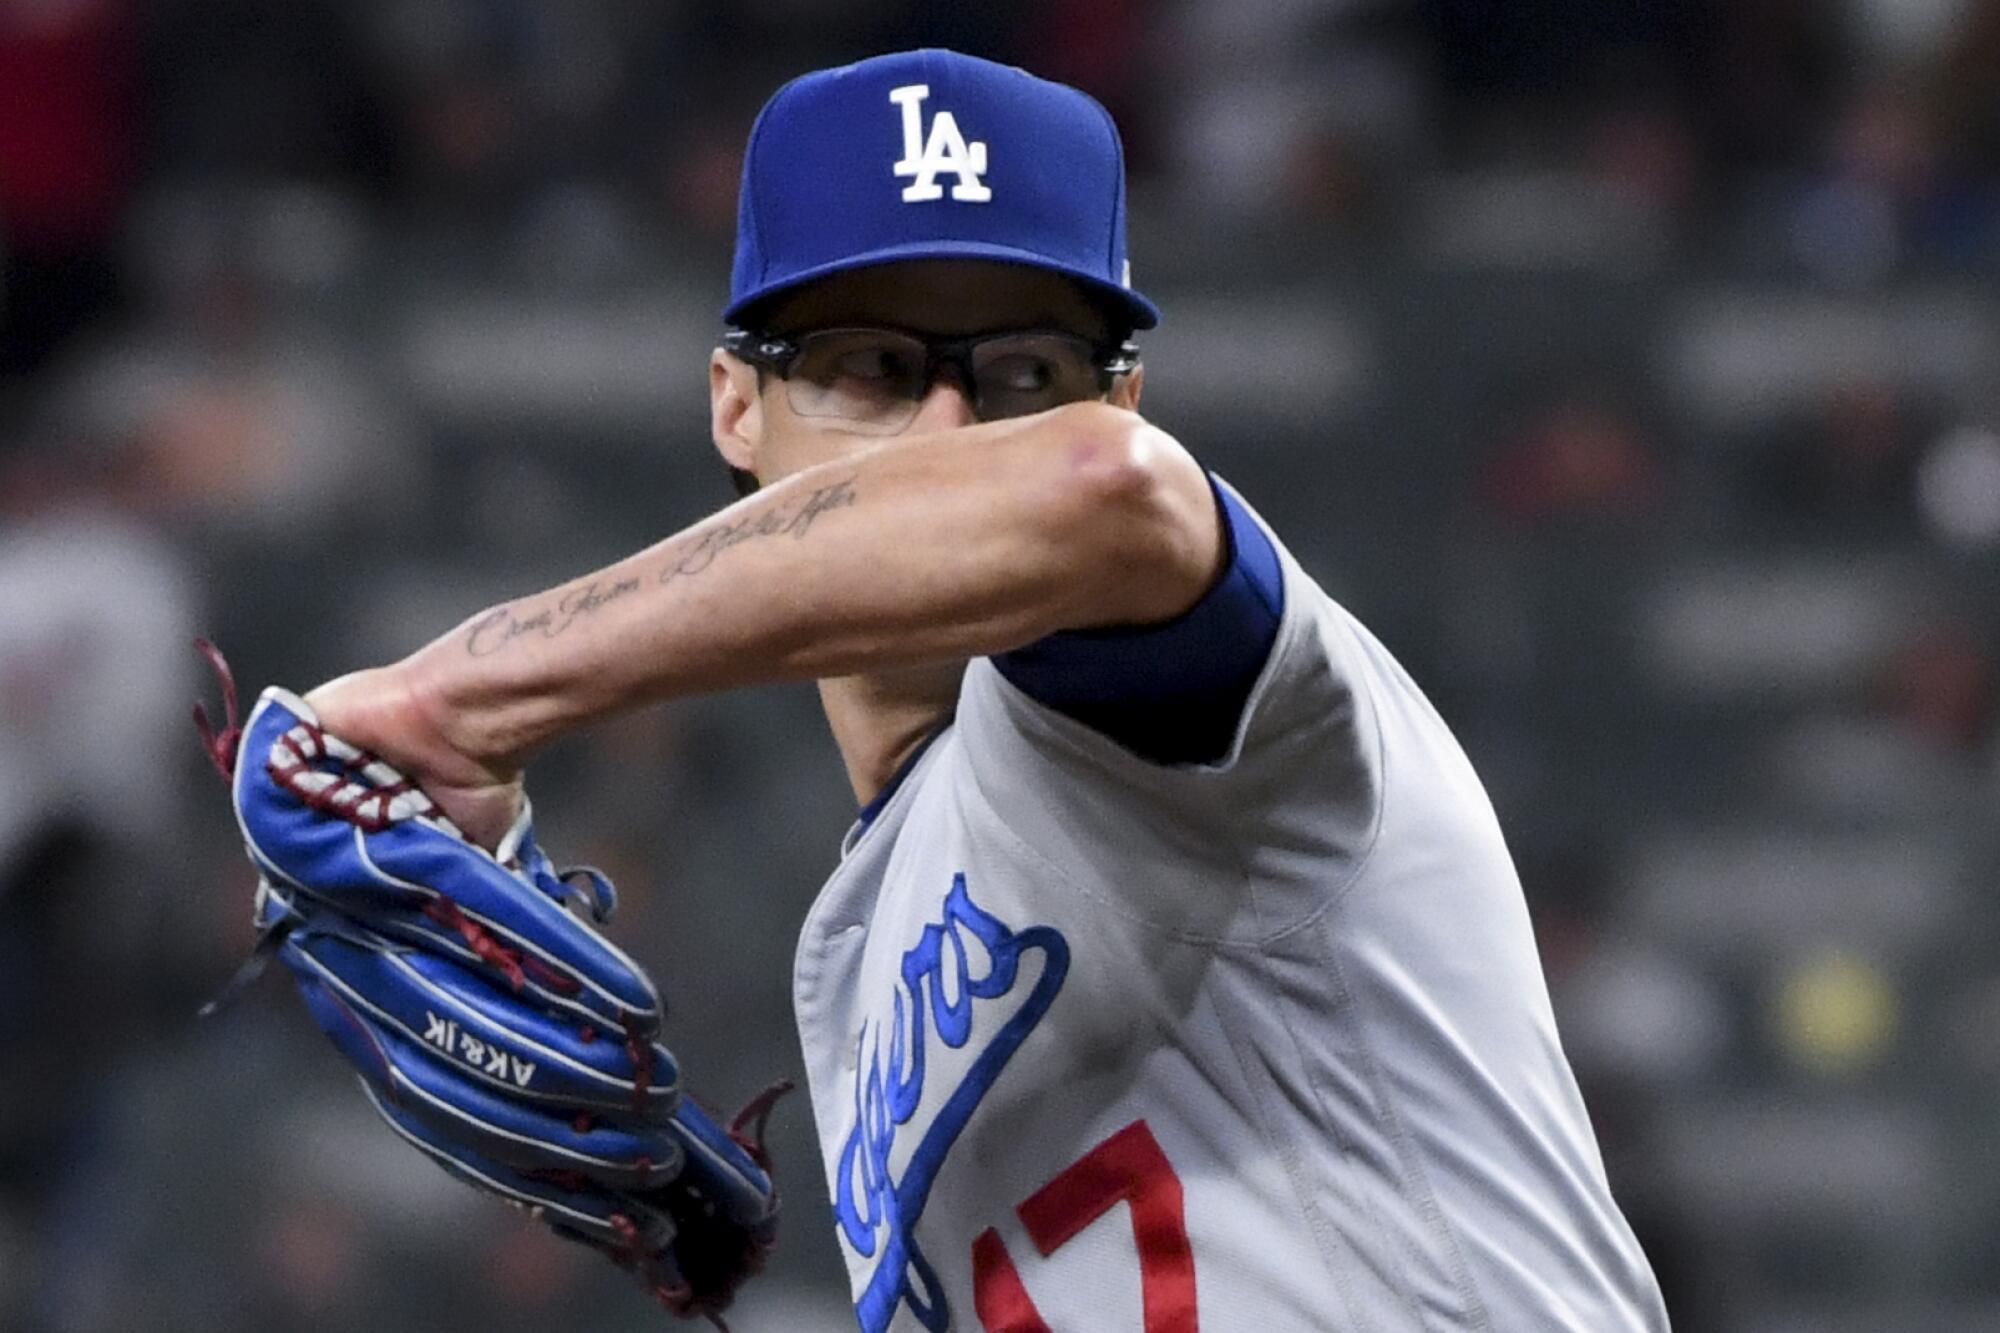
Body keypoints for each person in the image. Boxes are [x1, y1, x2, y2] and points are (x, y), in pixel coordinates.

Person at [303, 49, 1669, 1332]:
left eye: (1025, 373)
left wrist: (461, 692)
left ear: (1123, 399)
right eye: (871, 367)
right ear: (734, 406)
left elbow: (1098, 498)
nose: (949, 433)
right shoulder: (855, 939)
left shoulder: (1182, 719)